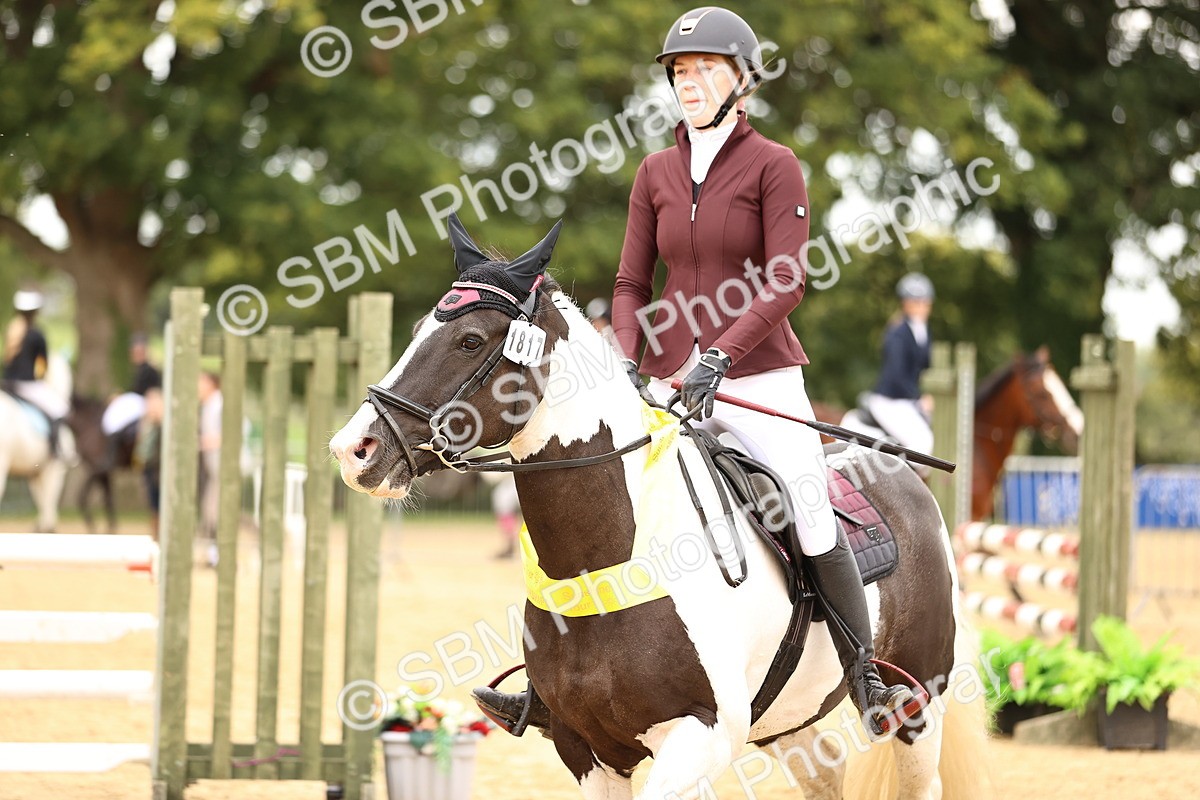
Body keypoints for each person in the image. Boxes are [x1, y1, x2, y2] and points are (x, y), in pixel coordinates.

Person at [474, 7, 914, 737]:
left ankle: (862, 669)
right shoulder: (655, 173)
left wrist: (721, 356)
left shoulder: (775, 165)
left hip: (760, 378)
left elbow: (786, 280)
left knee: (806, 509)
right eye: (681, 71)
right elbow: (627, 284)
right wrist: (632, 363)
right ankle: (551, 687)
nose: (692, 82)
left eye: (707, 69)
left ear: (742, 81)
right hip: (668, 383)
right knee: (592, 510)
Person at [863, 273, 935, 458]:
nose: (922, 307)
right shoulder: (898, 333)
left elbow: (925, 368)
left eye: (925, 302)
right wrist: (919, 398)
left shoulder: (923, 331)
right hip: (890, 400)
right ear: (906, 303)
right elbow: (897, 374)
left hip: (906, 401)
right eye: (916, 302)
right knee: (922, 443)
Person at [2, 290, 68, 454]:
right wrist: (42, 378)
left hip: (5, 383)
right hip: (26, 385)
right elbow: (43, 365)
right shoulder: (37, 335)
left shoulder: (12, 332)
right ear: (35, 313)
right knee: (59, 407)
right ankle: (55, 448)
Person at [198, 371, 223, 560]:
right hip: (214, 469)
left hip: (222, 469)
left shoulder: (218, 405)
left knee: (215, 512)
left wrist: (200, 442)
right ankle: (213, 555)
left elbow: (227, 435)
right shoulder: (209, 405)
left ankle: (216, 556)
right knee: (211, 511)